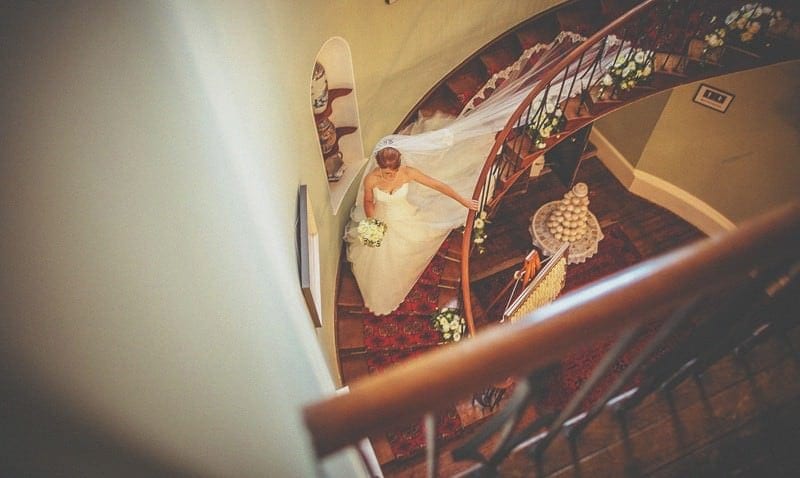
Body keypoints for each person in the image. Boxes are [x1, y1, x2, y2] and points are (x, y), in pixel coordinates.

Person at [346, 146, 479, 315]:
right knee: (381, 258)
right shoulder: (371, 179)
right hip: (382, 219)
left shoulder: (408, 173)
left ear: (399, 167)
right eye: (385, 173)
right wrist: (374, 222)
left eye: (392, 173)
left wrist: (463, 201)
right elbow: (367, 200)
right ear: (379, 167)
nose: (389, 177)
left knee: (407, 251)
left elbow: (437, 185)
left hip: (406, 217)